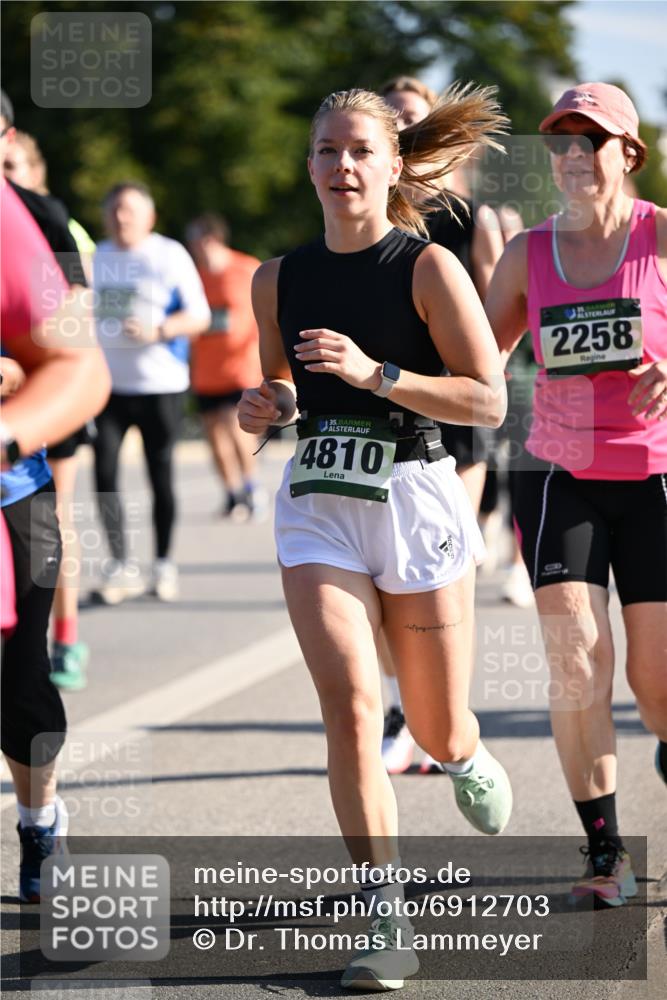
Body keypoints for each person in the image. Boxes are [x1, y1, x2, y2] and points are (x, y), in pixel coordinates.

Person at [239, 86, 512, 990]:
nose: (341, 166)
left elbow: (486, 398)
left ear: (393, 165)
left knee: (430, 723)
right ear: (308, 163)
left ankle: (464, 749)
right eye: (325, 150)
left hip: (416, 495)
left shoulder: (428, 267)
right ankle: (383, 914)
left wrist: (379, 373)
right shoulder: (276, 277)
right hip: (319, 498)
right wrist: (267, 404)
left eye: (359, 150)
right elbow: (284, 387)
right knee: (354, 706)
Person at [486, 82, 667, 908]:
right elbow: (474, 356)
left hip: (656, 474)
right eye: (558, 143)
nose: (570, 157)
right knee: (574, 662)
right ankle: (604, 854)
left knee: (656, 686)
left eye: (588, 142)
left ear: (626, 153)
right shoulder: (526, 253)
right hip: (557, 472)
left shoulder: (660, 238)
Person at [379, 76, 509, 774]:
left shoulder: (469, 216)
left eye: (410, 117)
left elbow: (497, 316)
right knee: (387, 575)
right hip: (387, 403)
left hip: (454, 407)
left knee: (440, 564)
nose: (402, 126)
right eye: (391, 117)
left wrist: (479, 385)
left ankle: (448, 717)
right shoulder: (369, 212)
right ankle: (406, 710)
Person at [1, 93, 111, 902]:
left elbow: (70, 350)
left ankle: (40, 822)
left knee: (17, 685)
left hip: (15, 484)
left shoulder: (32, 218)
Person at [3, 117, 95, 689]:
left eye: (12, 171)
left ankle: (62, 636)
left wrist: (24, 367)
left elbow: (78, 318)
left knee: (53, 517)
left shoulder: (48, 219)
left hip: (45, 390)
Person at [92, 182, 211, 603]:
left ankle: (162, 563)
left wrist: (159, 330)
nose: (121, 218)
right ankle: (120, 563)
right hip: (108, 387)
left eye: (130, 211)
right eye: (114, 211)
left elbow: (200, 315)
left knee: (159, 475)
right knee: (104, 474)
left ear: (149, 217)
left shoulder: (169, 254)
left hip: (160, 385)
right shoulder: (97, 256)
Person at [186, 214, 266, 521]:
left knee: (237, 428)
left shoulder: (245, 268)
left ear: (210, 239)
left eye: (196, 240)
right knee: (214, 437)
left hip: (241, 368)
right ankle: (232, 494)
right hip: (206, 371)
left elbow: (247, 320)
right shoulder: (193, 276)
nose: (194, 247)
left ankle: (252, 489)